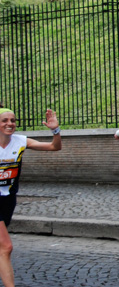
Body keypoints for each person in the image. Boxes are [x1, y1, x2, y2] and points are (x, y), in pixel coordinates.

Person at [0, 108, 62, 287]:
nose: (10, 124)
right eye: (4, 120)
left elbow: (54, 147)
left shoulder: (20, 141)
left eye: (12, 120)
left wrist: (55, 131)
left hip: (8, 199)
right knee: (6, 247)